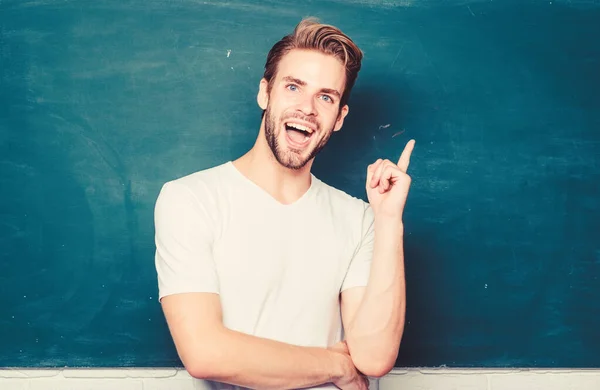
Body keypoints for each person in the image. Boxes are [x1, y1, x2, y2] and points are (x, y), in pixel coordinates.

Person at [154, 17, 415, 390]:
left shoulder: (358, 218)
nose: (307, 108)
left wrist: (389, 219)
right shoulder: (190, 199)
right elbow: (205, 352)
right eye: (294, 87)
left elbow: (373, 357)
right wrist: (335, 366)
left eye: (325, 97)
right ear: (265, 93)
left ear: (339, 118)